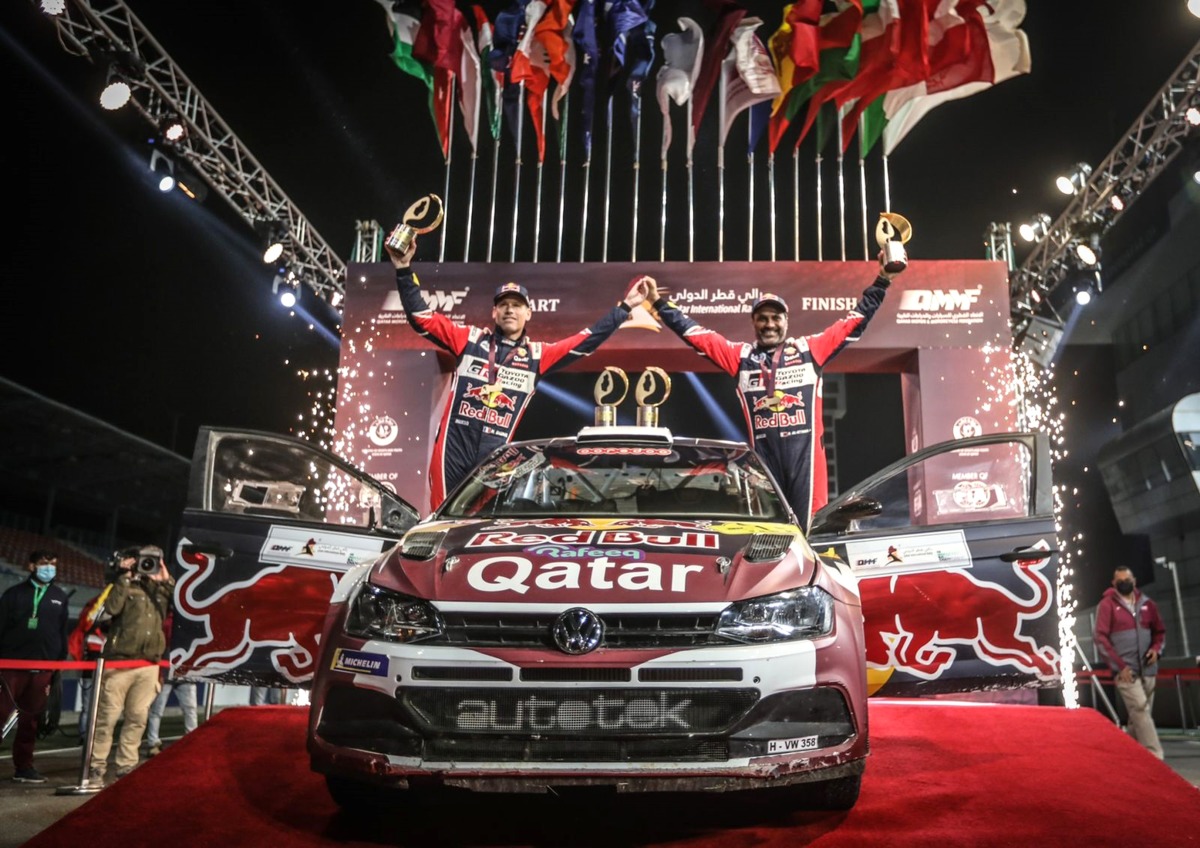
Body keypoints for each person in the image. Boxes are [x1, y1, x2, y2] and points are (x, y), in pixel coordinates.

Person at [386, 238, 651, 509]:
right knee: (441, 518)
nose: (509, 309)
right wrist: (404, 268)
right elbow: (422, 318)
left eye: (516, 304)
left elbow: (585, 340)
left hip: (495, 457)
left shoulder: (538, 356)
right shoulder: (469, 340)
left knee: (482, 526)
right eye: (503, 304)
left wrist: (625, 308)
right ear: (494, 311)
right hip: (453, 448)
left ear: (529, 313)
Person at [645, 252, 900, 530]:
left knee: (808, 537)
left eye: (775, 317)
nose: (769, 324)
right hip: (764, 473)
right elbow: (696, 335)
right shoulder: (740, 358)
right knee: (769, 538)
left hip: (807, 470)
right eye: (762, 318)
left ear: (786, 321)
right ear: (753, 322)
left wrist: (883, 279)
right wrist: (658, 303)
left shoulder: (809, 350)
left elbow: (856, 320)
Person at [88, 545, 175, 785]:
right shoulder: (124, 583)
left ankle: (126, 767)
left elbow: (185, 605)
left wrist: (166, 580)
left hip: (148, 663)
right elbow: (112, 609)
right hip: (119, 661)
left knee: (137, 718)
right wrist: (124, 577)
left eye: (156, 560)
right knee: (107, 717)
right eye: (146, 560)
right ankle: (96, 766)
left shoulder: (163, 587)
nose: (150, 564)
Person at [0, 550, 71, 783]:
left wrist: (59, 661)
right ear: (31, 566)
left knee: (30, 722)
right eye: (43, 563)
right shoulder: (13, 594)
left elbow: (62, 632)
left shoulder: (60, 596)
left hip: (43, 669)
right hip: (11, 667)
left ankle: (24, 767)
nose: (49, 568)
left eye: (52, 564)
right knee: (0, 714)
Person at [1094, 565, 1166, 760]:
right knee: (1140, 709)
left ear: (1134, 581)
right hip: (1126, 671)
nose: (1124, 583)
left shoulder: (1148, 604)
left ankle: (1128, 752)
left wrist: (1156, 650)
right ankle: (1155, 755)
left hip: (1149, 669)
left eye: (1127, 579)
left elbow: (1160, 632)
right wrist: (1119, 667)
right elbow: (1100, 638)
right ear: (1113, 583)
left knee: (1139, 715)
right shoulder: (1107, 605)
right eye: (1120, 580)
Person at [142, 611, 197, 756]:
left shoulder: (170, 621)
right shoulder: (172, 622)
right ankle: (155, 742)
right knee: (185, 709)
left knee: (158, 711)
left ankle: (153, 742)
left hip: (178, 671)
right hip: (173, 671)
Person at [67, 579, 112, 740]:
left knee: (104, 708)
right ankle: (85, 736)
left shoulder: (111, 637)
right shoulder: (91, 634)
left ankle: (97, 737)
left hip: (108, 673)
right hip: (91, 673)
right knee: (88, 707)